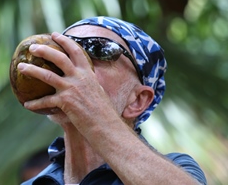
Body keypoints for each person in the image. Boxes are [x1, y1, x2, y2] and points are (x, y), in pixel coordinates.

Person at [18, 16, 207, 185]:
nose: (72, 64)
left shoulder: (179, 169)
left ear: (137, 101)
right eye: (64, 51)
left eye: (98, 49)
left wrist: (94, 116)